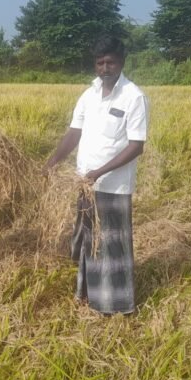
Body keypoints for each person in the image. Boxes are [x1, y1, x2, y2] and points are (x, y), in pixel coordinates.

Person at [44, 36, 149, 315]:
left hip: (113, 185)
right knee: (89, 240)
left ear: (122, 62)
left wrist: (100, 172)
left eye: (111, 62)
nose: (105, 67)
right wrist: (54, 160)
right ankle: (88, 293)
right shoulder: (88, 94)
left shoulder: (133, 97)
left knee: (112, 243)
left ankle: (115, 304)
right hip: (85, 182)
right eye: (100, 62)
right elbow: (74, 132)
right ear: (95, 64)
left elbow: (136, 146)